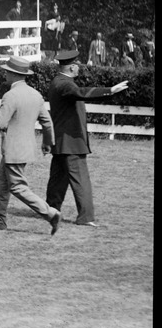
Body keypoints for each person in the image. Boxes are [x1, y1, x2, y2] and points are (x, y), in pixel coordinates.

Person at [46, 50, 128, 228]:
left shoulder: (58, 82)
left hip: (61, 141)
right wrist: (110, 90)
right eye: (78, 66)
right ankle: (86, 217)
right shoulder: (65, 84)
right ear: (72, 67)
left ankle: (50, 210)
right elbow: (81, 92)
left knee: (58, 180)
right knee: (80, 179)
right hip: (71, 143)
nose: (80, 69)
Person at [0, 56, 61, 234]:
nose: (4, 74)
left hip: (13, 150)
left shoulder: (10, 95)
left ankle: (50, 213)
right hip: (25, 149)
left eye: (6, 71)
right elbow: (47, 122)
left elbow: (1, 123)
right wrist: (47, 143)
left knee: (17, 187)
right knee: (2, 184)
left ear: (13, 74)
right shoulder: (35, 95)